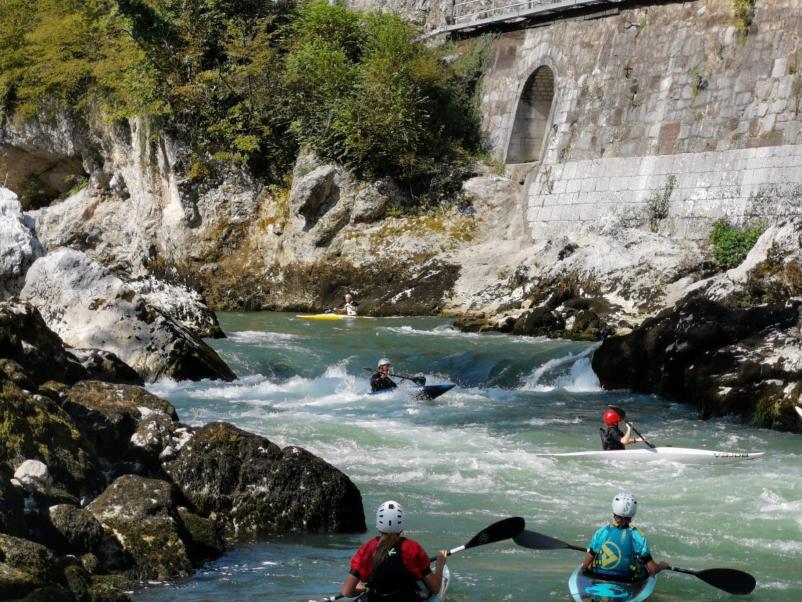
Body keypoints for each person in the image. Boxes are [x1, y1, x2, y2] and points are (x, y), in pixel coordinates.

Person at [342, 500, 448, 601]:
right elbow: (435, 588)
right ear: (401, 525)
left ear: (378, 524)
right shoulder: (413, 548)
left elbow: (347, 592)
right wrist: (440, 565)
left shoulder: (366, 550)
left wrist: (362, 589)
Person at [581, 492, 670, 582]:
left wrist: (584, 569)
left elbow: (586, 562)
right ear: (632, 516)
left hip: (599, 576)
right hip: (625, 580)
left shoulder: (602, 532)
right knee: (642, 567)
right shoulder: (637, 536)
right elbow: (652, 569)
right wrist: (662, 566)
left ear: (614, 512)